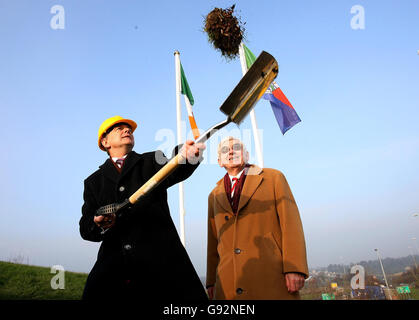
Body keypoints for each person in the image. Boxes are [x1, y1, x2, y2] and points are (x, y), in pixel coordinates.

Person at [79, 115, 208, 302]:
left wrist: (186, 155)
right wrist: (98, 223)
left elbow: (176, 166)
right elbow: (85, 227)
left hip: (161, 263)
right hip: (114, 268)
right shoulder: (93, 182)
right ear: (105, 142)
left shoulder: (151, 161)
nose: (127, 130)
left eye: (128, 128)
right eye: (119, 128)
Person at [206, 137, 309, 300]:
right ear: (219, 161)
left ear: (246, 155)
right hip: (227, 285)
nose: (231, 151)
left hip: (272, 277)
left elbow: (291, 223)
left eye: (236, 147)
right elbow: (213, 241)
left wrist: (295, 267)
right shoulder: (214, 195)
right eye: (225, 150)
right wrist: (211, 281)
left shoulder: (273, 178)